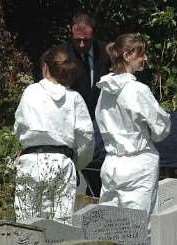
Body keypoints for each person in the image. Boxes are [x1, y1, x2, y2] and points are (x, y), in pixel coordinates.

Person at [14, 45, 94, 224]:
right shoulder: (74, 98)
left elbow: (19, 127)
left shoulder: (30, 92)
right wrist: (77, 163)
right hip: (61, 163)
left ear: (45, 67)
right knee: (60, 223)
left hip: (30, 162)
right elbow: (86, 138)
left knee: (27, 223)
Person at [95, 33, 171, 216]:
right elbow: (161, 127)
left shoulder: (104, 91)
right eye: (140, 53)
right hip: (138, 164)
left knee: (108, 224)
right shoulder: (138, 90)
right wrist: (151, 136)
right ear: (127, 56)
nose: (145, 58)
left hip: (111, 164)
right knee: (139, 227)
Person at [65, 12, 111, 197]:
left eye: (86, 40)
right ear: (71, 34)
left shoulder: (105, 53)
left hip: (101, 120)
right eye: (78, 40)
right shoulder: (64, 55)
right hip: (74, 122)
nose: (82, 44)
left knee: (98, 172)